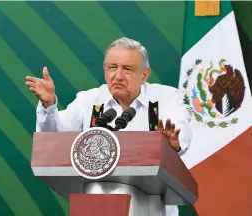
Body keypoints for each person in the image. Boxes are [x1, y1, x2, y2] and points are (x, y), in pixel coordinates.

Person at [26, 37, 191, 216]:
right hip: (96, 205)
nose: (118, 76)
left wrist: (173, 144)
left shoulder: (165, 97)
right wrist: (49, 106)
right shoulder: (89, 100)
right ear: (105, 69)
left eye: (127, 69)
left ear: (144, 75)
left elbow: (179, 130)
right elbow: (54, 139)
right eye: (112, 67)